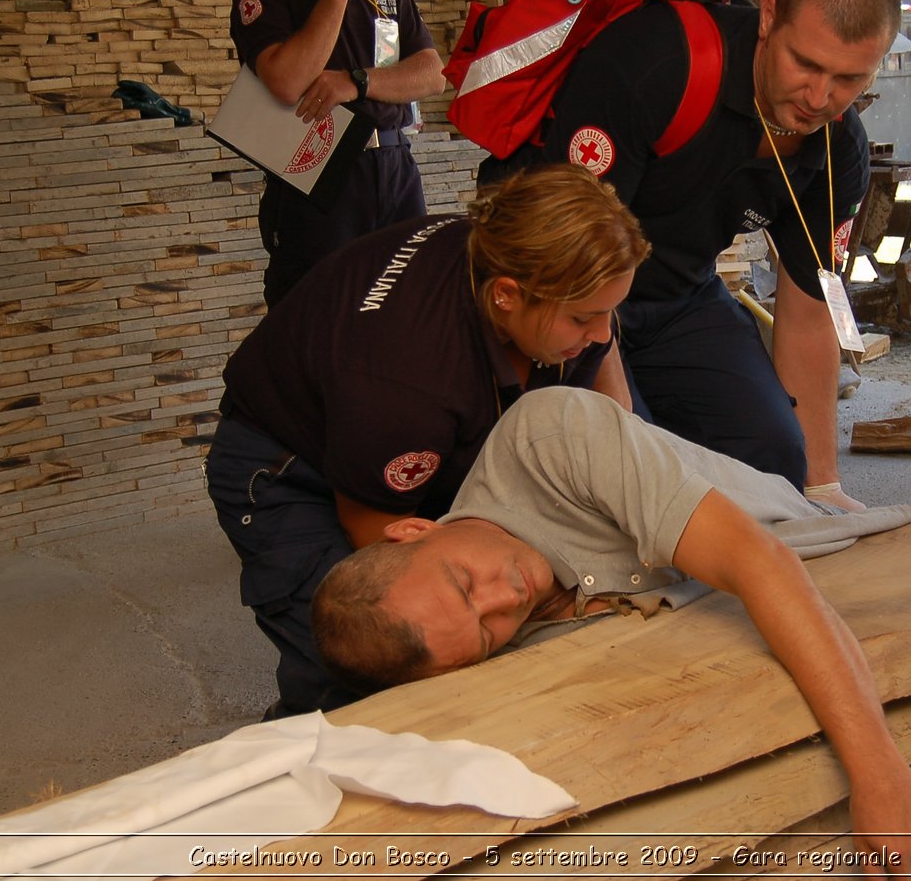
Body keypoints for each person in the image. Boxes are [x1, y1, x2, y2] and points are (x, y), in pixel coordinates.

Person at [312, 386, 911, 872]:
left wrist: (878, 773)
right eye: (485, 634)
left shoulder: (549, 438)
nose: (505, 599)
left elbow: (757, 563)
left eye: (463, 580)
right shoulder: (481, 646)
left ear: (414, 528)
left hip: (818, 550)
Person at [205, 165, 650, 717]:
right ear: (507, 297)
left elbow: (603, 370)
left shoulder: (525, 255)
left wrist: (621, 446)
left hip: (421, 427)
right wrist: (509, 604)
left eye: (612, 310)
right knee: (373, 663)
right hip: (291, 468)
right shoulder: (404, 382)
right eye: (585, 317)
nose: (603, 332)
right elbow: (378, 529)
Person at [505, 0, 901, 508]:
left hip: (680, 299)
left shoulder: (838, 154)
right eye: (806, 64)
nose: (819, 99)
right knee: (626, 484)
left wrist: (821, 489)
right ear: (768, 17)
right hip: (568, 294)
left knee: (775, 463)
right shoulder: (656, 65)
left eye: (848, 79)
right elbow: (568, 270)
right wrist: (627, 436)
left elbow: (812, 310)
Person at [230, 0, 448, 306]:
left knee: (404, 312)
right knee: (320, 317)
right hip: (317, 169)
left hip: (394, 166)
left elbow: (432, 72)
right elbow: (286, 81)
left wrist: (358, 81)